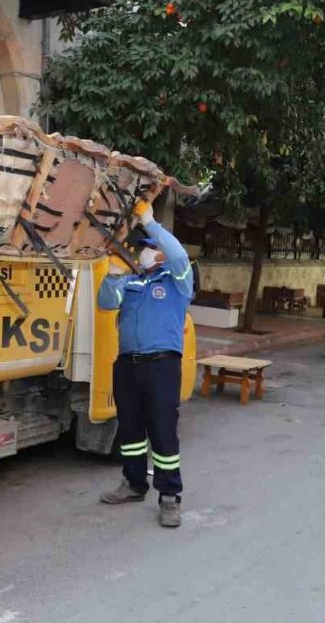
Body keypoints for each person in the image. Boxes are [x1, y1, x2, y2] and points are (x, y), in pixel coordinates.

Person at [97, 200, 193, 528]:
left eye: (148, 247)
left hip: (162, 366)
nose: (143, 253)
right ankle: (134, 483)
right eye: (142, 249)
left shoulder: (177, 281)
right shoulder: (132, 283)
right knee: (131, 430)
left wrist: (152, 224)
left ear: (160, 250)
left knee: (164, 432)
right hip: (127, 366)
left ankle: (169, 497)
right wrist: (112, 276)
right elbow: (106, 303)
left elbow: (179, 255)